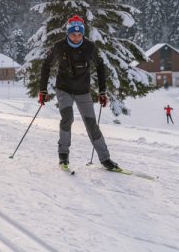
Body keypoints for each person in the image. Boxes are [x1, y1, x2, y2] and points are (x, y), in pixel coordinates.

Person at [38, 15, 120, 171]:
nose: (76, 37)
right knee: (67, 118)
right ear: (68, 33)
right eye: (73, 34)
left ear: (83, 34)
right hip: (64, 89)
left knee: (92, 125)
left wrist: (102, 91)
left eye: (79, 34)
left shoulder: (90, 47)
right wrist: (43, 89)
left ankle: (105, 159)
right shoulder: (59, 47)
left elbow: (100, 67)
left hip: (83, 91)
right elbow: (46, 65)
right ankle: (63, 156)